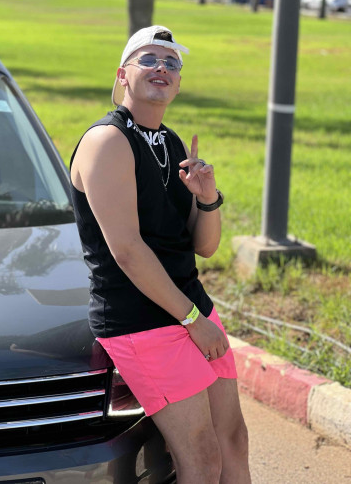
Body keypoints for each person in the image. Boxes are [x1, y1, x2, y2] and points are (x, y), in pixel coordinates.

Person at [70, 25, 251, 484]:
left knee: (233, 440)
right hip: (142, 319)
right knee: (202, 458)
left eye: (172, 63)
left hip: (189, 305)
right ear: (123, 75)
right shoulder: (107, 141)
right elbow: (128, 251)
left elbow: (204, 246)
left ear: (179, 83)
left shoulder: (171, 143)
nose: (161, 68)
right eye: (148, 59)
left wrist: (207, 198)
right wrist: (193, 321)